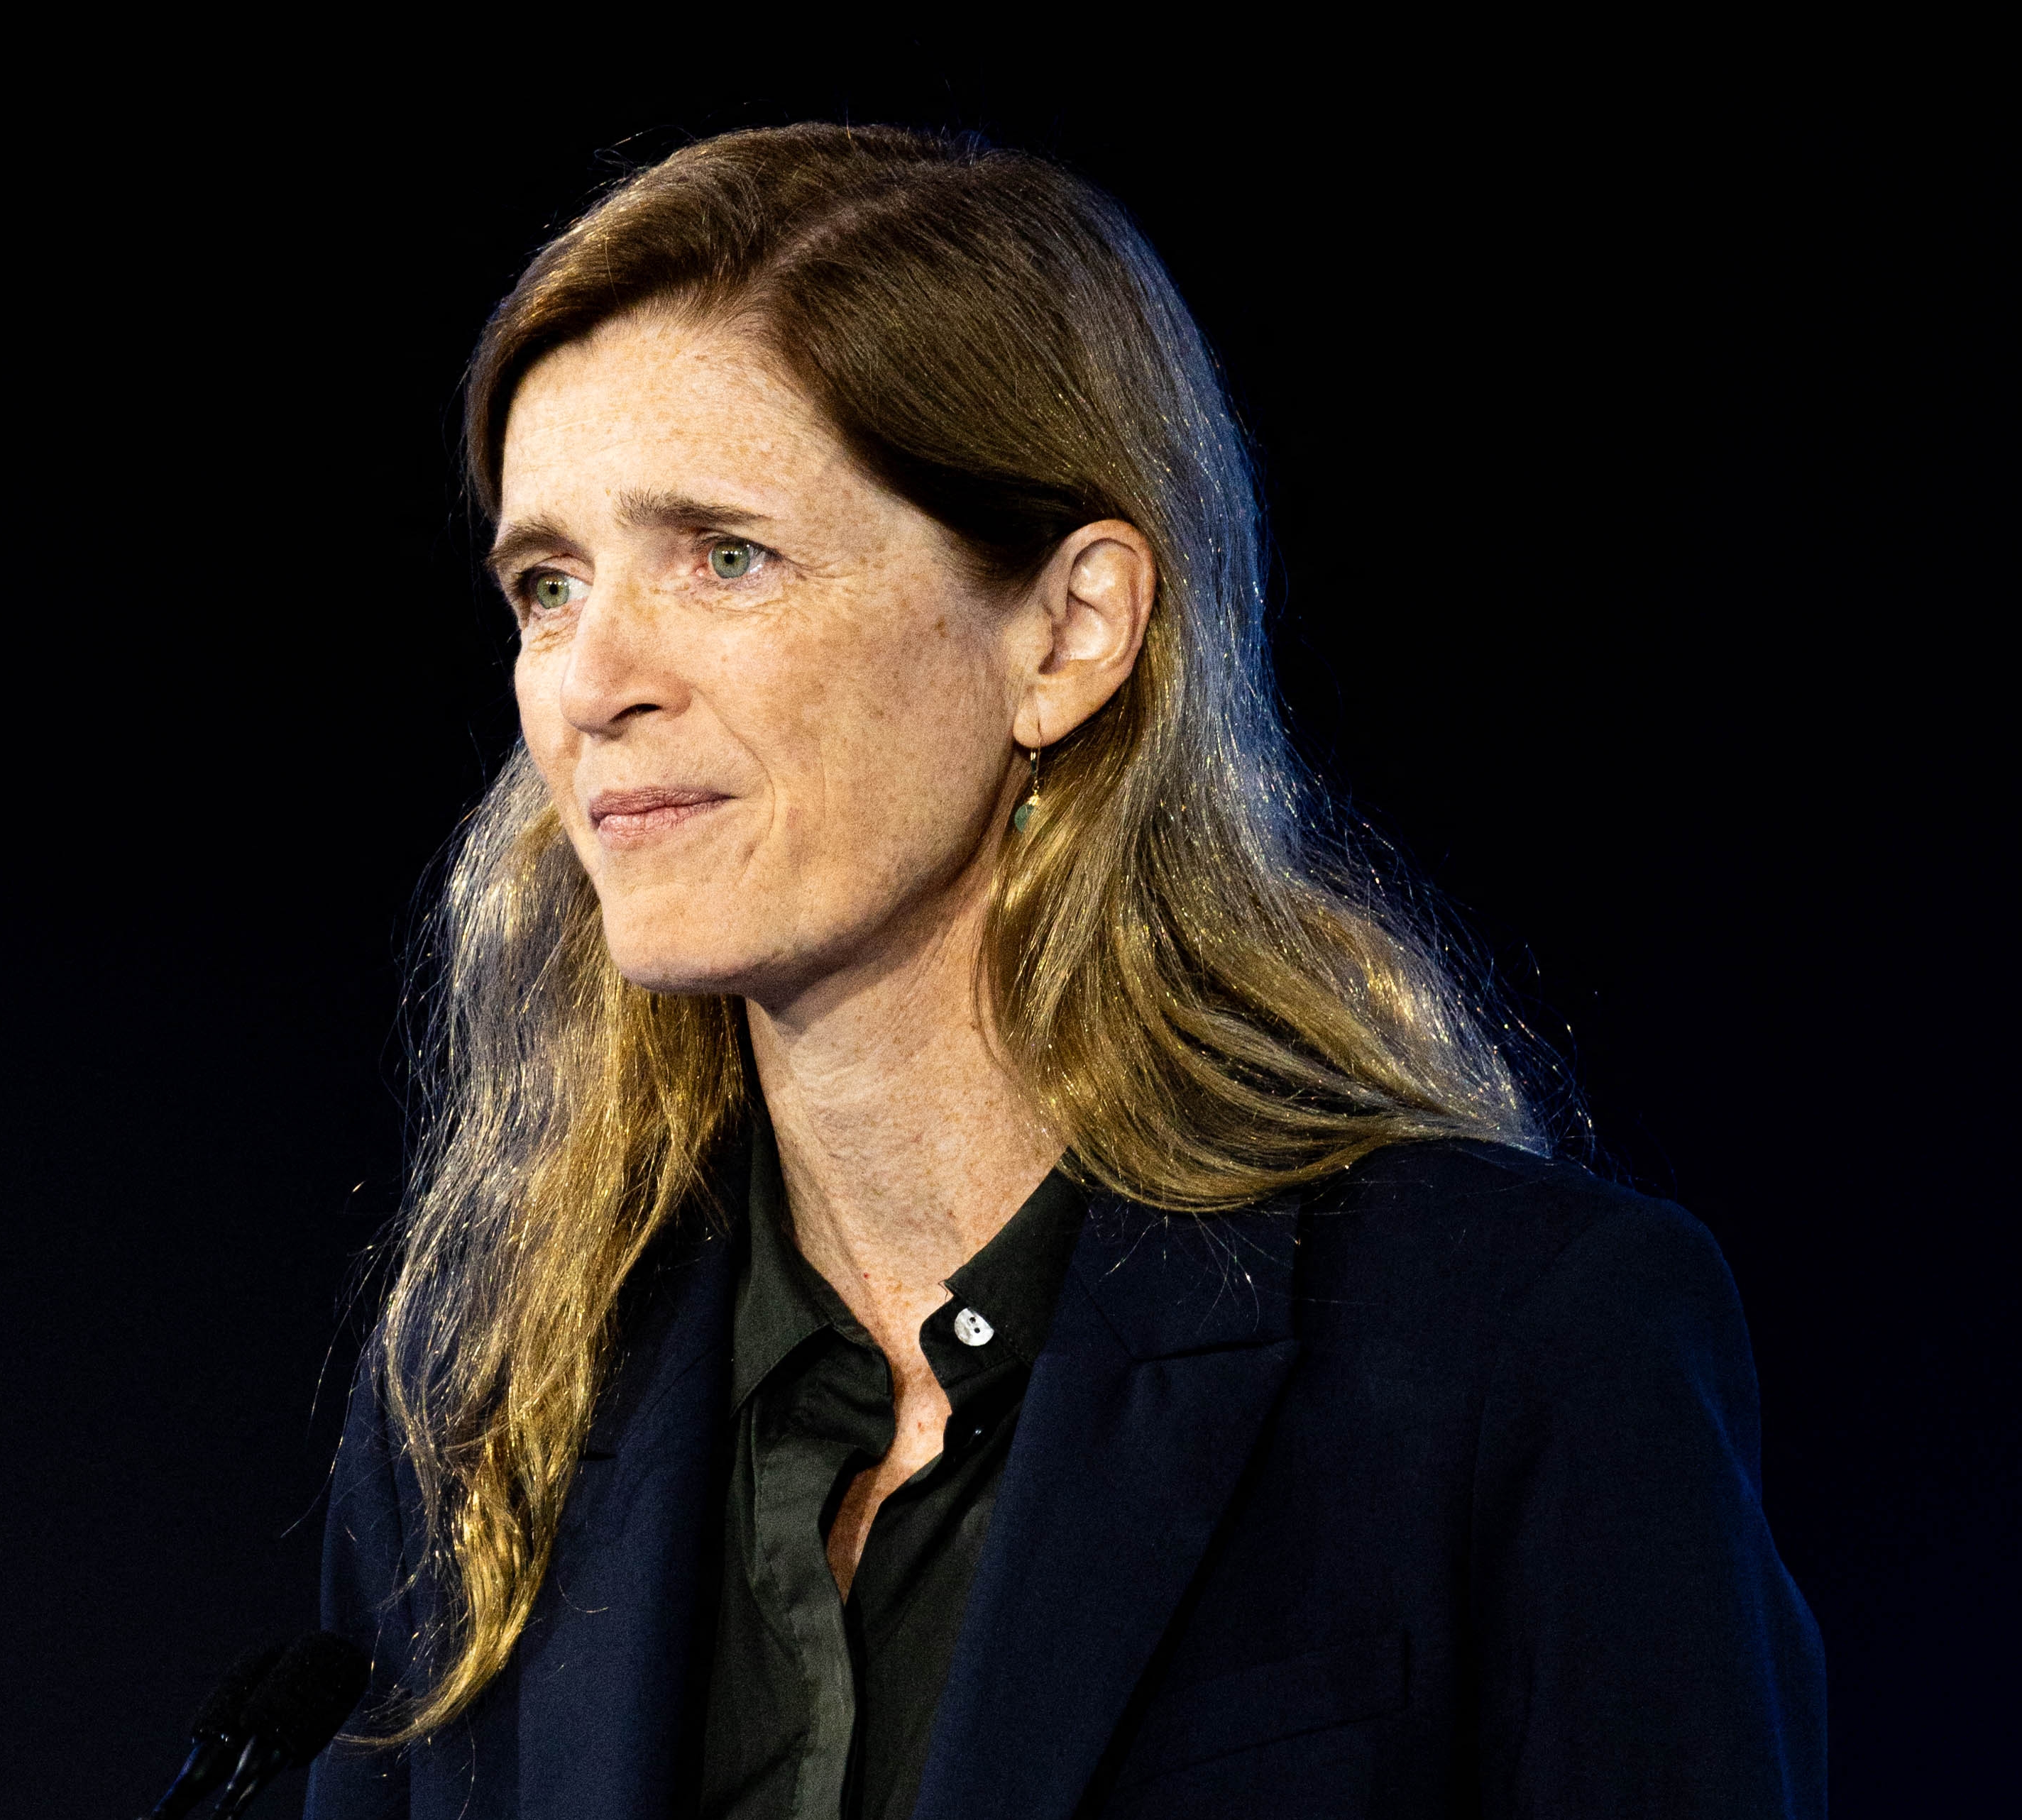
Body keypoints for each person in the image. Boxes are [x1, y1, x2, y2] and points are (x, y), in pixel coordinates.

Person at [306, 126, 1823, 1820]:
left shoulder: (1507, 1352)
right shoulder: (491, 1419)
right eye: (548, 584)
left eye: (726, 556)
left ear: (1070, 629)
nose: (591, 680)